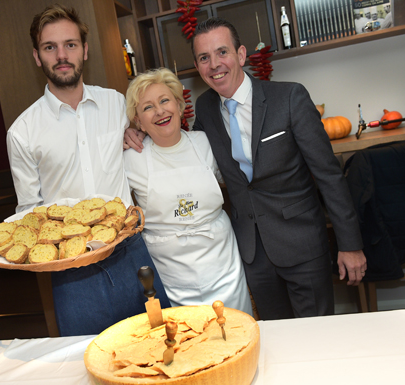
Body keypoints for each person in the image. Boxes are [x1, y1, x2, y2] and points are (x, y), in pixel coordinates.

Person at [125, 17, 366, 320]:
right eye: (204, 58)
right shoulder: (207, 110)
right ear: (198, 67)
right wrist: (132, 131)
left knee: (316, 337)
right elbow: (182, 151)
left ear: (240, 55)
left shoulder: (289, 98)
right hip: (251, 254)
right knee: (269, 340)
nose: (214, 64)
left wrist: (351, 245)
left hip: (302, 245)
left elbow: (329, 175)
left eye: (222, 52)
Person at [6, 4, 170, 336]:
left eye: (70, 44)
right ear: (37, 56)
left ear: (85, 50)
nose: (61, 55)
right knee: (85, 360)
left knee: (161, 345)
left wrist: (134, 130)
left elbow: (160, 131)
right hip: (72, 270)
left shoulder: (116, 104)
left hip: (131, 252)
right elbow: (28, 212)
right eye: (50, 47)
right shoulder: (22, 132)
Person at [124, 68, 253, 315]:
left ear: (180, 105)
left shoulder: (206, 142)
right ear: (138, 121)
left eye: (165, 100)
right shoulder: (130, 160)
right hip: (170, 279)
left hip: (223, 268)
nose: (160, 111)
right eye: (148, 107)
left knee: (237, 333)